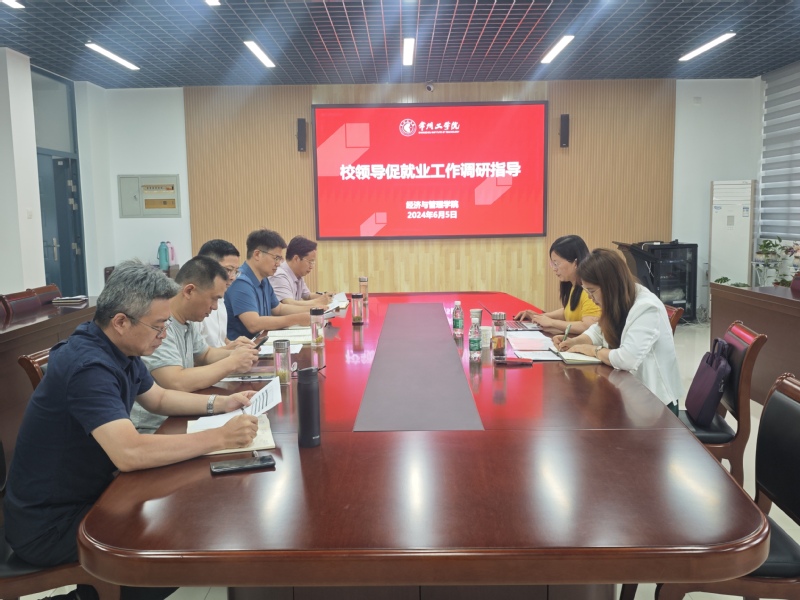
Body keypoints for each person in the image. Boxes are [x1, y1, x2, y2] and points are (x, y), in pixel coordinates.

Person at [3, 260, 258, 600]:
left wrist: (221, 404)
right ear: (121, 322)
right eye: (158, 326)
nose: (164, 335)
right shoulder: (88, 366)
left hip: (89, 494)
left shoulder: (119, 347)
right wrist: (219, 437)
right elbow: (129, 453)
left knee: (184, 515)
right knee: (168, 556)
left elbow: (158, 398)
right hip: (50, 524)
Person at [131, 256, 260, 433]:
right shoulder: (159, 325)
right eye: (213, 299)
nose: (215, 307)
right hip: (157, 426)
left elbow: (205, 355)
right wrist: (232, 362)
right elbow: (176, 382)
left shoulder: (187, 321)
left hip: (181, 413)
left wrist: (237, 352)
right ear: (189, 291)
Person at [553, 248, 683, 413]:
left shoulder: (647, 307)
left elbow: (627, 359)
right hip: (627, 393)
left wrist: (592, 350)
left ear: (610, 285)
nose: (591, 299)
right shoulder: (619, 297)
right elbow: (598, 330)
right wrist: (575, 341)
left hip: (655, 404)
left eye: (592, 292)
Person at [225, 229, 312, 340]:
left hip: (260, 343)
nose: (278, 264)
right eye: (276, 258)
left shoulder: (264, 279)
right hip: (243, 347)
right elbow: (253, 324)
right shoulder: (241, 281)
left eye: (280, 259)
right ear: (257, 254)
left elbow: (278, 309)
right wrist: (297, 319)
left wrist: (313, 310)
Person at [515, 234, 600, 335]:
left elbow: (588, 326)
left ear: (575, 262)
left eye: (556, 263)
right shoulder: (573, 285)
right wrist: (540, 317)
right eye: (552, 264)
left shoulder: (588, 291)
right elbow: (570, 311)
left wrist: (551, 322)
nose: (554, 269)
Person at [197, 238, 252, 349]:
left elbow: (221, 339)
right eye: (228, 270)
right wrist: (230, 352)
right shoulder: (194, 303)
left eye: (235, 271)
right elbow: (199, 355)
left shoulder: (221, 297)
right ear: (206, 267)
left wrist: (234, 344)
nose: (232, 277)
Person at [269, 235, 333, 307]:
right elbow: (289, 304)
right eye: (310, 262)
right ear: (296, 259)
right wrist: (317, 302)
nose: (311, 267)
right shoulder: (279, 275)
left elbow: (307, 296)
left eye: (313, 262)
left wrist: (325, 296)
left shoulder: (298, 274)